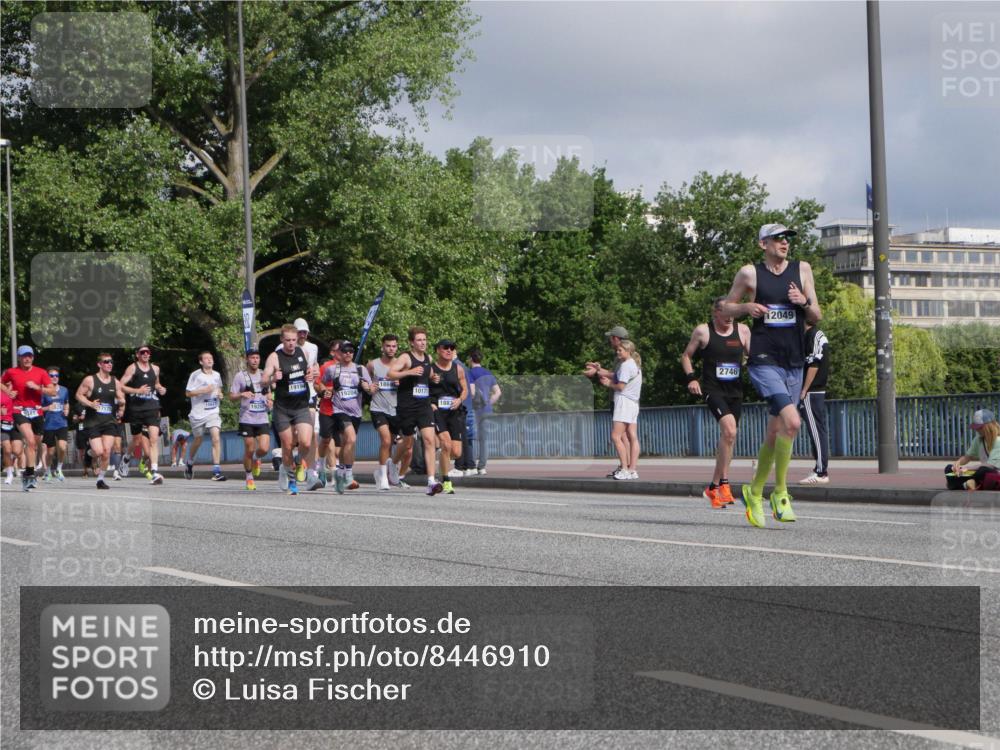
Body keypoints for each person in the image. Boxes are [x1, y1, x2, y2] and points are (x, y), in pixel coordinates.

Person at [722, 223, 821, 527]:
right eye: (778, 238)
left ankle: (753, 492)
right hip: (764, 359)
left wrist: (803, 302)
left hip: (793, 360)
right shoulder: (749, 273)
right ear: (762, 244)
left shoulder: (802, 269)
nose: (784, 243)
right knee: (793, 422)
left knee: (776, 432)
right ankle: (780, 492)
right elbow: (725, 307)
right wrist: (746, 307)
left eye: (788, 238)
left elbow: (816, 315)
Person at [680, 298, 751, 508]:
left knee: (729, 437)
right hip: (713, 390)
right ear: (716, 312)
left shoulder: (744, 331)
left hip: (735, 391)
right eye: (726, 312)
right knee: (729, 431)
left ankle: (713, 486)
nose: (730, 317)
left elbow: (752, 355)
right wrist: (691, 378)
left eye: (733, 313)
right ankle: (725, 484)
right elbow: (686, 356)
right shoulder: (703, 331)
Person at [263, 323, 318, 495]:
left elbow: (311, 370)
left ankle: (298, 463)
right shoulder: (275, 357)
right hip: (283, 408)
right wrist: (272, 377)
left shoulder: (304, 352)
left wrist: (311, 374)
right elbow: (263, 379)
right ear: (282, 340)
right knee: (287, 445)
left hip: (301, 405)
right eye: (287, 340)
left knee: (306, 442)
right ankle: (290, 477)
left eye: (294, 340)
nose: (291, 343)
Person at [388, 326, 443, 495]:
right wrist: (409, 371)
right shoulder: (406, 357)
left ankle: (431, 481)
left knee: (429, 440)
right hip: (407, 406)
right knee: (408, 442)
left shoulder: (428, 357)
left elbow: (429, 372)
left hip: (424, 405)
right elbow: (391, 373)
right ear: (412, 342)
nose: (422, 343)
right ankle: (392, 463)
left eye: (424, 340)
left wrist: (434, 377)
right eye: (419, 340)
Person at [319, 340, 376, 493]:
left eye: (351, 351)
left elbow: (371, 389)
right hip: (339, 411)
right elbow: (319, 384)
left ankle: (341, 473)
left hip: (356, 412)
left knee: (347, 445)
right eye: (345, 351)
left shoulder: (360, 369)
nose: (348, 354)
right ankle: (349, 476)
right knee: (351, 438)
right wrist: (325, 391)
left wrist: (367, 387)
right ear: (339, 353)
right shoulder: (333, 370)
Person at [2, 345, 57, 491]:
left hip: (37, 412)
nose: (27, 358)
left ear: (33, 357)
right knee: (30, 440)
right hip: (19, 411)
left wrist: (38, 388)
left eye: (30, 356)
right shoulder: (12, 372)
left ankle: (27, 471)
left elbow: (52, 391)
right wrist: (8, 391)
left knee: (34, 445)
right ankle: (31, 475)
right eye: (24, 356)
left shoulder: (41, 372)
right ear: (19, 358)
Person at [75, 352, 126, 490]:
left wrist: (121, 402)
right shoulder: (90, 380)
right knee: (98, 452)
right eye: (106, 361)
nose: (109, 364)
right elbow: (78, 395)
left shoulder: (115, 381)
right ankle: (89, 453)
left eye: (111, 361)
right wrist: (90, 404)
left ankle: (100, 479)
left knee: (106, 452)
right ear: (99, 364)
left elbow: (122, 397)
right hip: (93, 422)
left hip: (109, 421)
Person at [120, 344, 167, 484]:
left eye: (148, 352)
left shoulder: (156, 368)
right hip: (136, 409)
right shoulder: (132, 368)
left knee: (153, 439)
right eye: (142, 352)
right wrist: (137, 391)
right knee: (137, 440)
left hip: (152, 407)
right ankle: (126, 457)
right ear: (137, 355)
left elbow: (156, 384)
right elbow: (120, 385)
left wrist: (161, 388)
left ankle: (154, 472)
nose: (146, 354)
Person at [429, 339, 469, 495]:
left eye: (452, 348)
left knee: (457, 452)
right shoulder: (431, 369)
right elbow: (422, 387)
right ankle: (446, 481)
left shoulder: (458, 369)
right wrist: (430, 404)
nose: (449, 350)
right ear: (438, 350)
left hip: (454, 412)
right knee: (446, 444)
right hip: (437, 410)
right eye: (446, 347)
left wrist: (460, 399)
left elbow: (465, 389)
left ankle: (442, 459)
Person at [367, 334, 406, 490]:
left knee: (403, 443)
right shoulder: (372, 365)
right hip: (378, 408)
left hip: (396, 409)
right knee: (386, 440)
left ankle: (387, 467)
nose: (391, 349)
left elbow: (408, 384)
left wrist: (400, 383)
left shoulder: (401, 365)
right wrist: (369, 388)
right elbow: (365, 383)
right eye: (388, 346)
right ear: (382, 346)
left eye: (394, 346)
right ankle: (383, 477)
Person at [599, 340, 642, 480]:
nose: (617, 352)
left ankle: (624, 468)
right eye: (617, 350)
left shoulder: (625, 366)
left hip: (624, 402)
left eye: (620, 350)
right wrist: (601, 371)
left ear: (628, 351)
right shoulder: (634, 365)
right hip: (634, 403)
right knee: (632, 436)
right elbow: (618, 377)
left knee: (616, 436)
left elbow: (621, 387)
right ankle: (632, 469)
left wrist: (608, 383)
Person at [229, 349, 272, 491]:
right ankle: (249, 477)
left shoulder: (263, 375)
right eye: (252, 358)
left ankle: (256, 458)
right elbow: (231, 396)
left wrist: (270, 401)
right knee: (249, 447)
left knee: (264, 448)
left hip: (262, 417)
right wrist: (242, 394)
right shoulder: (240, 376)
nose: (255, 360)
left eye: (257, 358)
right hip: (247, 418)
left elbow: (269, 393)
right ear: (247, 359)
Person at [184, 351, 226, 481]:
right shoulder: (196, 375)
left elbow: (219, 389)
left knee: (216, 437)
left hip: (213, 411)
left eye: (211, 358)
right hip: (198, 414)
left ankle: (216, 471)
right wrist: (203, 390)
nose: (209, 360)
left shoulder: (217, 375)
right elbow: (188, 393)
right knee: (198, 440)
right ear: (201, 362)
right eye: (206, 358)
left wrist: (220, 394)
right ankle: (190, 462)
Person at [798, 322, 831, 485]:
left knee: (816, 431)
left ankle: (821, 472)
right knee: (817, 430)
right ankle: (819, 468)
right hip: (816, 390)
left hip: (812, 391)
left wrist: (804, 389)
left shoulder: (813, 335)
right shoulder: (816, 335)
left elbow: (814, 364)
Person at [467, 350, 501, 476]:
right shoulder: (488, 373)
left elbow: (472, 391)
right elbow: (498, 392)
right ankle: (482, 467)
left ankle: (469, 465)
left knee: (469, 437)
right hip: (486, 409)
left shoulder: (470, 373)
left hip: (474, 409)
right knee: (484, 439)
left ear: (471, 359)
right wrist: (489, 403)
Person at [949, 409, 1000, 490]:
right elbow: (967, 457)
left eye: (979, 428)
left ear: (989, 426)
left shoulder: (998, 440)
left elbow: (991, 465)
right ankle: (969, 483)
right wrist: (957, 464)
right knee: (948, 468)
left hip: (995, 473)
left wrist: (967, 468)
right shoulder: (978, 439)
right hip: (982, 473)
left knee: (983, 471)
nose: (976, 430)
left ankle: (961, 485)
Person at [40, 364, 70, 482]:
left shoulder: (64, 390)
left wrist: (67, 410)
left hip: (62, 422)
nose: (54, 377)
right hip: (49, 424)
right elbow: (38, 407)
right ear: (47, 377)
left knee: (62, 447)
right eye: (51, 375)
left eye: (56, 375)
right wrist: (48, 408)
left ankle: (59, 469)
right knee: (50, 452)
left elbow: (66, 402)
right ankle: (47, 471)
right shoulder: (44, 391)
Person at [2, 385, 18, 485]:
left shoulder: (18, 392)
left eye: (10, 383)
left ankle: (10, 461)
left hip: (17, 424)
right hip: (3, 424)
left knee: (17, 451)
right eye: (6, 383)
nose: (8, 385)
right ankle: (9, 473)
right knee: (7, 449)